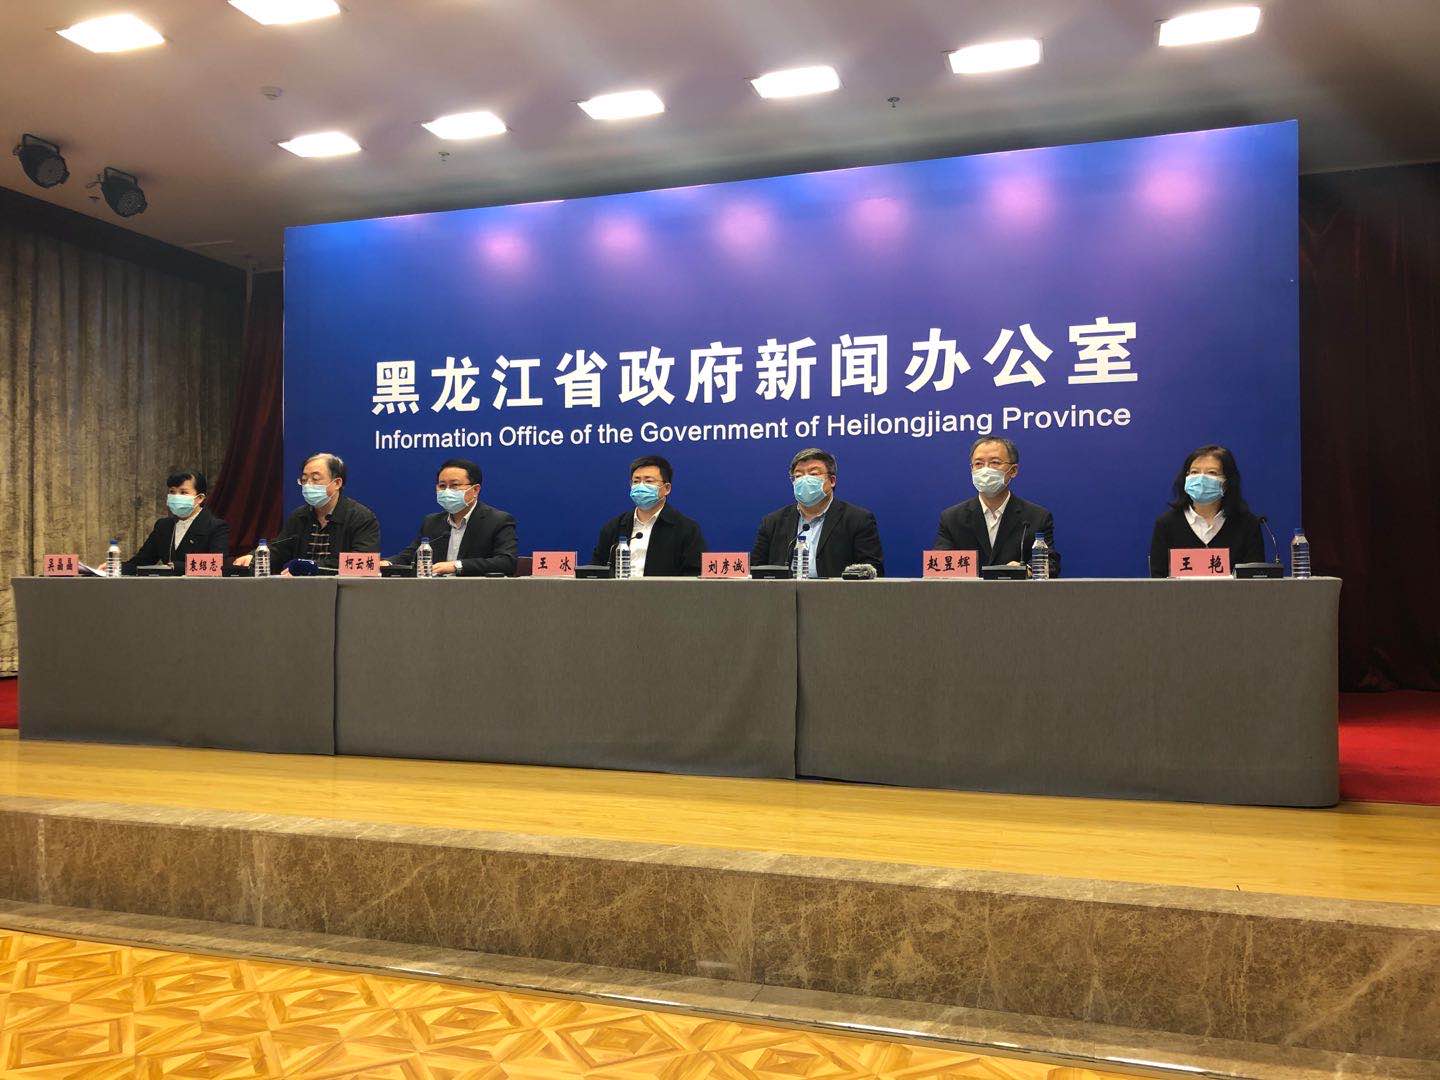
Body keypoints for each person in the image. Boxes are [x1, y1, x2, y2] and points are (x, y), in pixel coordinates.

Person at [750, 448, 883, 577]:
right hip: (783, 592)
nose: (805, 480)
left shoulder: (858, 519)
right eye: (798, 475)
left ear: (832, 481)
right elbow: (755, 570)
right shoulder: (772, 522)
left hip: (837, 592)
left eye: (813, 474)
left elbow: (873, 571)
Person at [233, 453, 379, 570]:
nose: (308, 485)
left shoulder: (361, 517)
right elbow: (280, 549)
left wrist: (309, 568)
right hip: (302, 591)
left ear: (337, 483)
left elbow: (363, 561)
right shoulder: (299, 516)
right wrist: (256, 557)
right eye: (304, 479)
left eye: (315, 479)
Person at [933, 436, 1056, 571]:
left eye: (995, 462)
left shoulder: (1037, 517)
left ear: (1013, 470)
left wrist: (1025, 571)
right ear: (971, 469)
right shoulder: (952, 518)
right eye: (978, 464)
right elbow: (940, 567)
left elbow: (1050, 563)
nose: (985, 470)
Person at [1149, 444, 1265, 576]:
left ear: (1227, 482)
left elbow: (1254, 581)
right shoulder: (1166, 524)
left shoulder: (1247, 524)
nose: (1201, 479)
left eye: (1211, 473)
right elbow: (1158, 580)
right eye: (1194, 472)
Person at [389, 458, 517, 576]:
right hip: (434, 590)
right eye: (442, 486)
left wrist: (456, 566)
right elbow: (411, 555)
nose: (447, 491)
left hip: (477, 590)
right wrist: (388, 563)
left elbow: (506, 562)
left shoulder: (498, 520)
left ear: (475, 490)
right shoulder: (432, 522)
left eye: (454, 485)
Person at [592, 455, 707, 576]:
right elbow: (596, 571)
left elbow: (693, 575)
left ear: (667, 488)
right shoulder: (613, 528)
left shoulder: (687, 529)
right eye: (636, 481)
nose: (641, 486)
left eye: (649, 481)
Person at [121, 470, 229, 574]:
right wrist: (115, 567)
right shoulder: (163, 526)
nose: (176, 497)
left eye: (183, 492)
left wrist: (175, 566)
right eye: (172, 492)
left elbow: (217, 564)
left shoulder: (216, 527)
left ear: (199, 498)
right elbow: (141, 561)